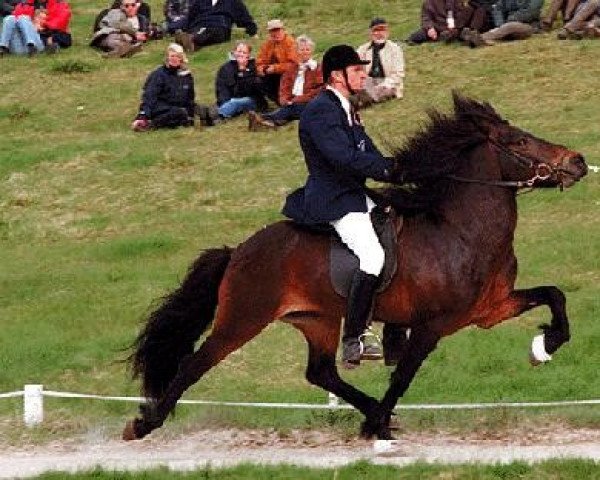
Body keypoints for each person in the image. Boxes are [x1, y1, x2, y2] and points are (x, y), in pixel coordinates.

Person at [281, 45, 396, 368]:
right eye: (357, 70)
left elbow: (368, 152)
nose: (363, 74)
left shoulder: (347, 108)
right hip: (333, 199)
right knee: (373, 256)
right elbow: (343, 158)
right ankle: (354, 337)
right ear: (338, 75)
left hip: (354, 193)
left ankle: (393, 328)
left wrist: (399, 168)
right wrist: (387, 170)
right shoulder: (321, 110)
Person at [248, 34, 323, 130]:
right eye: (301, 50)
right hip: (292, 102)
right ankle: (273, 122)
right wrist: (284, 99)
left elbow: (318, 91)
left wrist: (297, 100)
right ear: (297, 51)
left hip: (309, 102)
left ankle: (263, 118)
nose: (304, 52)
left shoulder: (318, 68)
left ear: (311, 51)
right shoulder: (292, 68)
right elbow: (284, 86)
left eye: (307, 50)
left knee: (294, 108)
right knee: (289, 108)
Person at [197, 40, 264, 126]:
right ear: (234, 52)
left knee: (236, 102)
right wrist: (224, 102)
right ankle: (213, 117)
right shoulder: (225, 68)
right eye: (239, 51)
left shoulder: (254, 66)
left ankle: (212, 115)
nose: (241, 54)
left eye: (244, 52)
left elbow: (251, 90)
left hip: (252, 100)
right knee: (230, 103)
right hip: (230, 101)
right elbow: (221, 88)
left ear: (248, 55)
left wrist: (242, 71)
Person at [131, 43, 196, 132]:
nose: (174, 59)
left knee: (199, 110)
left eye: (177, 56)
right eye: (171, 56)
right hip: (160, 108)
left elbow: (190, 98)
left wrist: (192, 114)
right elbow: (149, 96)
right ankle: (149, 125)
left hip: (180, 108)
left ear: (181, 58)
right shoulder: (159, 75)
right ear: (167, 58)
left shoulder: (186, 76)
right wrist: (142, 115)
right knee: (178, 113)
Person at [355, 17, 405, 108]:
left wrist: (384, 85)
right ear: (370, 33)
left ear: (387, 32)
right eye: (376, 30)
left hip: (388, 83)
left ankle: (364, 100)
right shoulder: (363, 49)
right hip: (369, 82)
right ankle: (365, 98)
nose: (379, 34)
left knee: (386, 90)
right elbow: (355, 69)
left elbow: (398, 75)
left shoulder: (395, 49)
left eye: (382, 30)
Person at [173, 0, 257, 53]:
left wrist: (253, 31)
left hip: (220, 26)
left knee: (211, 31)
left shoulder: (233, 2)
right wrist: (173, 28)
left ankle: (191, 40)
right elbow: (189, 18)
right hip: (199, 24)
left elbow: (244, 17)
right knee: (198, 30)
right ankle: (191, 43)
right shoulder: (199, 2)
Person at [0, 0, 71, 55]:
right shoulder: (26, 4)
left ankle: (31, 45)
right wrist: (32, 24)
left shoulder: (58, 4)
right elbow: (16, 17)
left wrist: (43, 25)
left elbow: (61, 21)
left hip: (38, 42)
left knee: (23, 17)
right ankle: (3, 47)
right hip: (19, 44)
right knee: (10, 18)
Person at [460, 0, 543, 46]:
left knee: (511, 26)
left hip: (528, 25)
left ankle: (480, 38)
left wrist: (511, 19)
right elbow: (497, 8)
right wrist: (500, 24)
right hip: (505, 25)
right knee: (506, 27)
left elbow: (532, 12)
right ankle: (476, 38)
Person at [255, 19, 298, 104]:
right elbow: (259, 62)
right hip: (272, 75)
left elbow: (294, 65)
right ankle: (274, 101)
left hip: (289, 76)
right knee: (256, 80)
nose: (275, 33)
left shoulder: (291, 43)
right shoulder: (267, 44)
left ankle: (286, 101)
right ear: (269, 33)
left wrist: (275, 68)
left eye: (278, 30)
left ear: (283, 30)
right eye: (272, 31)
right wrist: (261, 69)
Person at [407, 0, 487, 44]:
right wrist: (430, 28)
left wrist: (456, 26)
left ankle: (469, 35)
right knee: (417, 36)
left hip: (456, 26)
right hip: (438, 27)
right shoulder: (428, 3)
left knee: (473, 10)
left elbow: (462, 15)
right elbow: (425, 18)